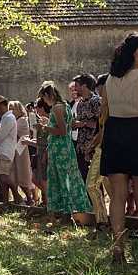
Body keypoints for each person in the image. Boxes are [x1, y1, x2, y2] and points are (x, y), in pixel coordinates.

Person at [100, 33, 138, 263]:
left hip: (115, 133)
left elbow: (104, 111)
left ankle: (118, 248)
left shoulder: (109, 80)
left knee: (117, 195)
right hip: (137, 132)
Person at [38, 81, 91, 223]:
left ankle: (67, 214)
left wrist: (45, 127)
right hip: (64, 147)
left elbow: (61, 131)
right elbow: (71, 125)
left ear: (48, 95)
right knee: (66, 178)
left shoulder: (57, 108)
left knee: (62, 179)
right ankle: (65, 213)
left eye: (44, 98)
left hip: (60, 148)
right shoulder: (66, 106)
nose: (44, 101)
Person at [85, 74, 112, 233]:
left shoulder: (113, 105)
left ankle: (107, 222)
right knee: (105, 188)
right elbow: (102, 131)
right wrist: (92, 145)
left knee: (92, 185)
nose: (98, 91)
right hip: (101, 149)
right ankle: (103, 222)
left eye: (100, 88)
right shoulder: (104, 105)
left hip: (108, 151)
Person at [72, 74, 101, 182]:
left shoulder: (96, 101)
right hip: (81, 147)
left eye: (77, 86)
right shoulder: (79, 103)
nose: (75, 89)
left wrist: (82, 124)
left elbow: (101, 124)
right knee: (83, 179)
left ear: (84, 86)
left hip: (93, 147)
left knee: (94, 182)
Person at [9, 100, 35, 205]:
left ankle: (30, 198)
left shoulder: (22, 120)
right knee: (15, 175)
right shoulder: (15, 120)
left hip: (21, 151)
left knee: (23, 174)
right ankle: (23, 198)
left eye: (12, 109)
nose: (10, 111)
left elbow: (14, 133)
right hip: (15, 150)